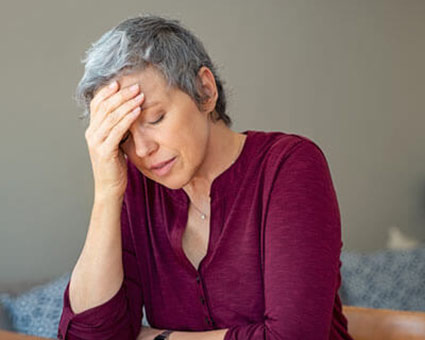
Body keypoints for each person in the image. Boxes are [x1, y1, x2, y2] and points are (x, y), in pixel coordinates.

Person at [58, 15, 353, 340]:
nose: (141, 149)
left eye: (155, 118)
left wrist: (160, 338)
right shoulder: (136, 189)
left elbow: (295, 337)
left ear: (205, 90)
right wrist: (106, 193)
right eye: (123, 137)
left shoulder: (288, 165)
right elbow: (86, 337)